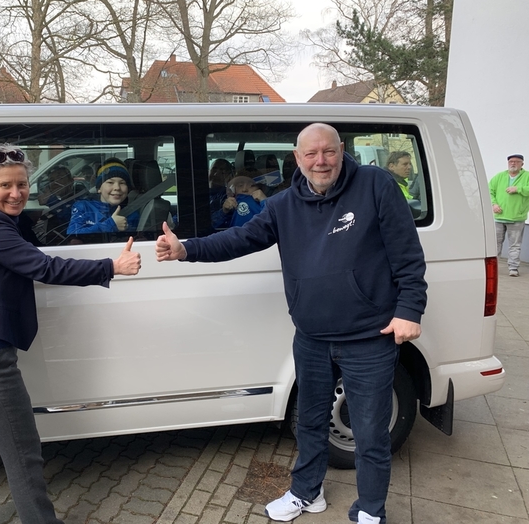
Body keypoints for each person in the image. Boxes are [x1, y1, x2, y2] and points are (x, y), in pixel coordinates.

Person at [155, 123, 427, 524]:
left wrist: (409, 310)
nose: (321, 161)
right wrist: (186, 249)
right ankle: (306, 492)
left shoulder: (375, 186)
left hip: (369, 336)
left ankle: (370, 510)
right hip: (312, 337)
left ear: (341, 151)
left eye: (329, 152)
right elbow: (239, 239)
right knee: (310, 422)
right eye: (311, 154)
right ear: (297, 159)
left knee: (370, 434)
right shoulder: (283, 204)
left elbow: (408, 254)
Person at [0, 144, 141, 524]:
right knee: (23, 453)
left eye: (23, 184)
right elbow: (44, 267)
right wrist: (111, 266)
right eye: (5, 186)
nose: (16, 193)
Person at [67, 158, 139, 234]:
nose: (117, 188)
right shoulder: (83, 207)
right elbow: (73, 235)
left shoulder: (132, 214)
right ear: (99, 188)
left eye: (122, 183)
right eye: (110, 182)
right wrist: (111, 224)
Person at [489, 154, 529, 277]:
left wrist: (518, 189)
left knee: (515, 245)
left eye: (516, 162)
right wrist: (494, 204)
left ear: (522, 164)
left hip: (517, 217)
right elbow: (490, 190)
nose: (513, 164)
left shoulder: (527, 176)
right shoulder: (499, 176)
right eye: (511, 161)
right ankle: (493, 269)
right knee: (495, 244)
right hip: (498, 217)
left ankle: (513, 268)